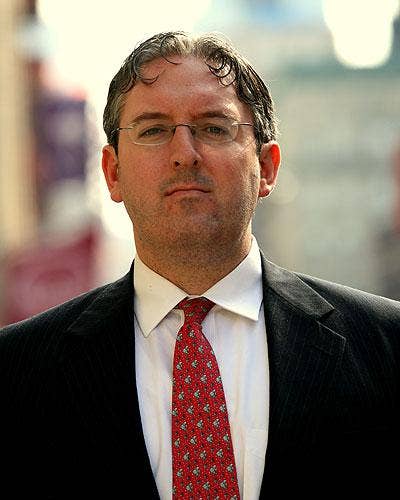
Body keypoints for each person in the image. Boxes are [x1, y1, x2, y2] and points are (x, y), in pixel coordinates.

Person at [0, 31, 399, 500]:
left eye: (214, 128)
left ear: (267, 167)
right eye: (153, 130)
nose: (184, 154)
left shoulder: (386, 347)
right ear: (113, 173)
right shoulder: (17, 370)